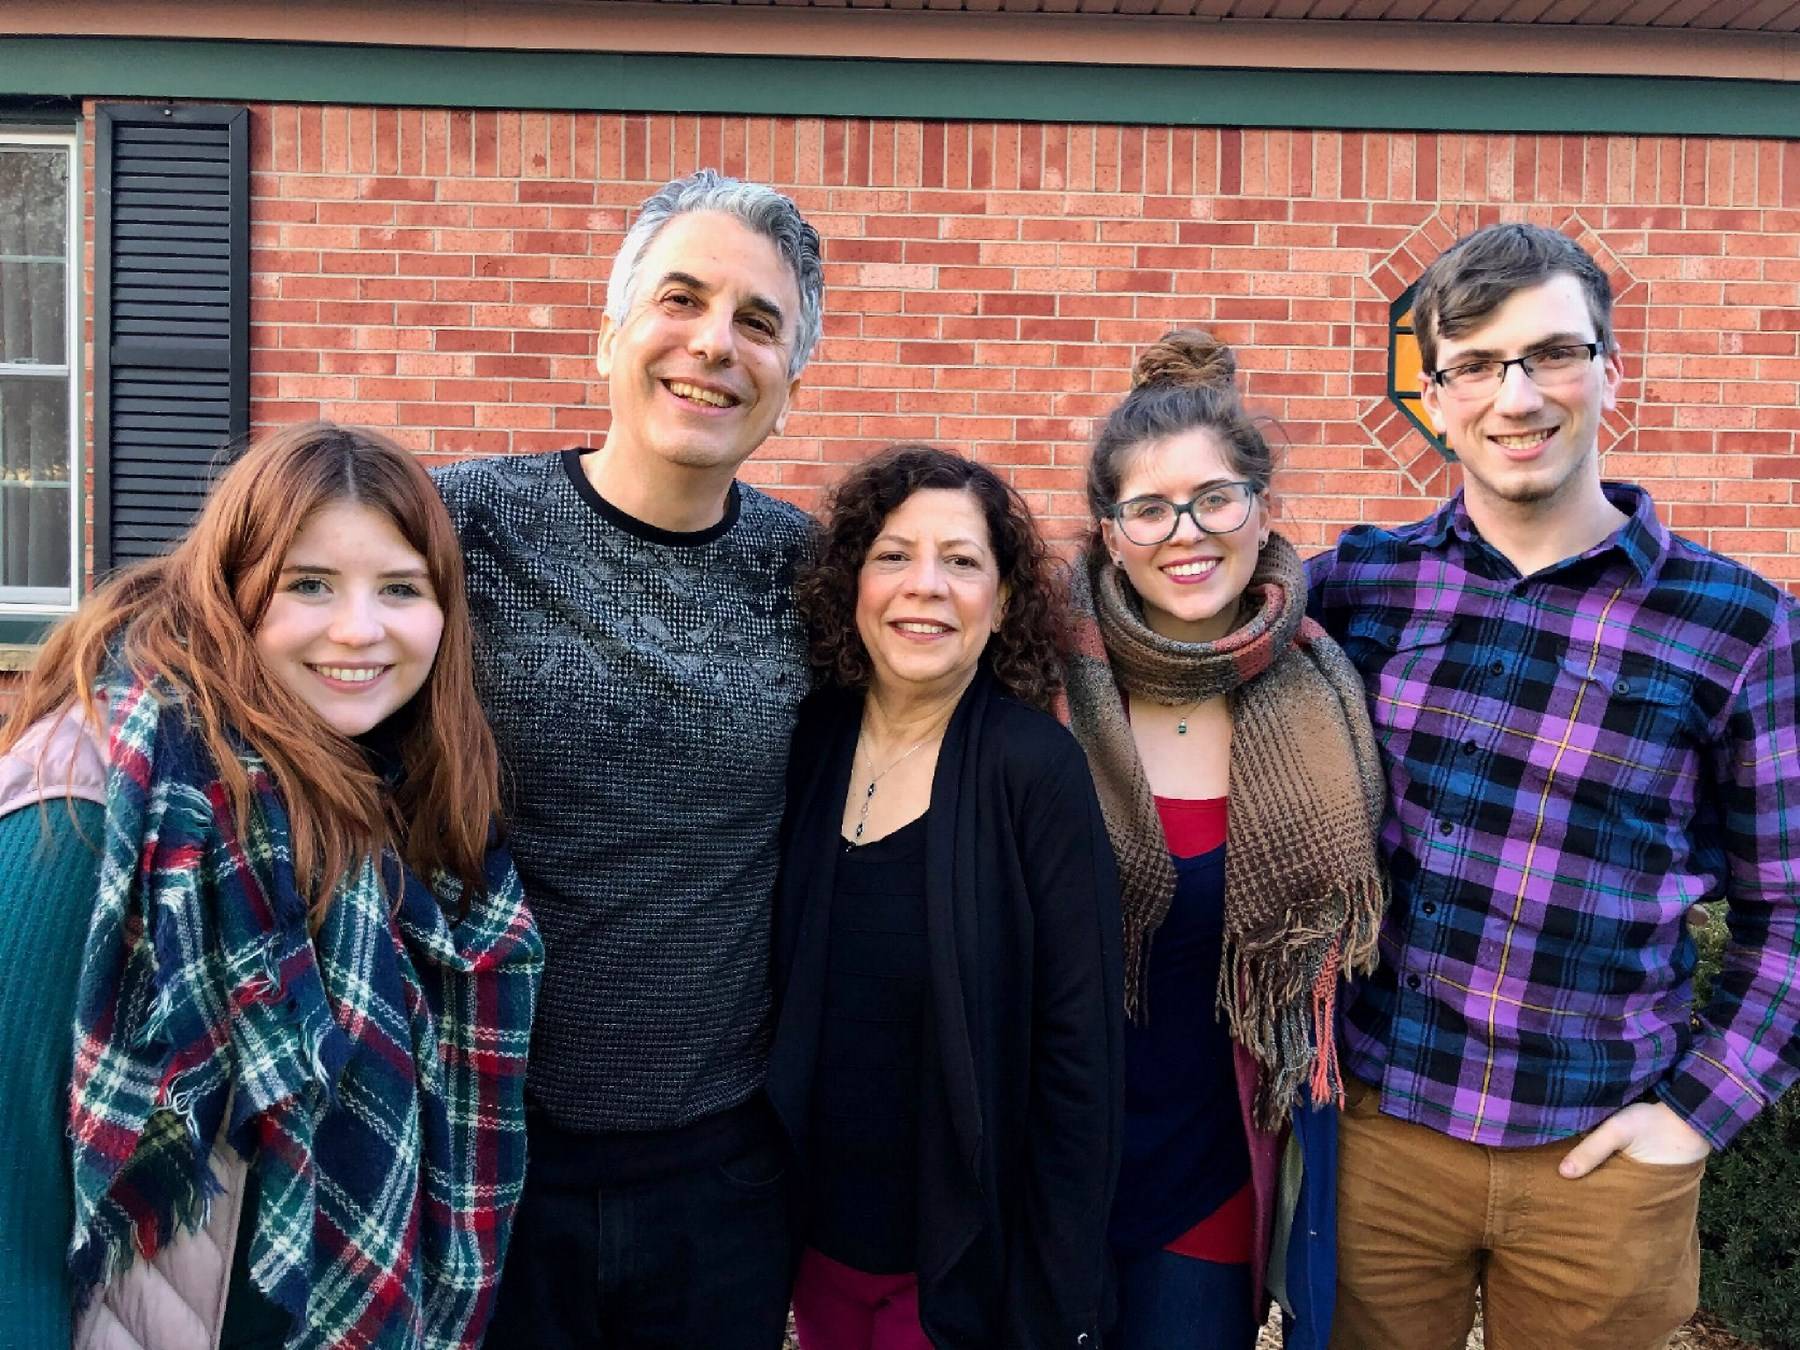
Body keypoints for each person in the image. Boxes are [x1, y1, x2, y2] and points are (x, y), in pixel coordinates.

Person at [1308, 222, 1800, 1348]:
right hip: (1385, 1135)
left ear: (1610, 373)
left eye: (1551, 355)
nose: (1514, 396)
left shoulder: (1737, 626)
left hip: (1602, 1156)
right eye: (1474, 365)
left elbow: (1790, 903)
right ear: (1432, 398)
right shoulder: (1359, 587)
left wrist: (1697, 1111)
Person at [0, 422, 541, 1350]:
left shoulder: (405, 802)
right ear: (232, 593)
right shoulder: (98, 805)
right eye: (308, 584)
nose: (359, 630)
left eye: (401, 589)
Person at [433, 168, 824, 1347]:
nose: (715, 344)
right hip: (482, 1149)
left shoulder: (810, 576)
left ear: (789, 385)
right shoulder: (460, 527)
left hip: (720, 1175)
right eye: (680, 300)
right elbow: (252, 626)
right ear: (608, 333)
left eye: (759, 323)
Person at [1059, 332, 1386, 1350]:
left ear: (1261, 506)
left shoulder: (1326, 692)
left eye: (1215, 498)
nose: (1185, 532)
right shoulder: (1038, 686)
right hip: (1039, 1163)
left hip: (1210, 1177)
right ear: (1111, 533)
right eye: (1149, 508)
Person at [764, 445, 1124, 1350]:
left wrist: (1052, 1297)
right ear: (854, 585)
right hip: (814, 1250)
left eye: (961, 561)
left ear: (1002, 602)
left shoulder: (1034, 774)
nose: (924, 586)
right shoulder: (808, 744)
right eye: (893, 555)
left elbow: (1080, 1060)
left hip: (962, 1271)